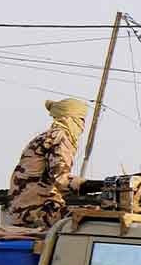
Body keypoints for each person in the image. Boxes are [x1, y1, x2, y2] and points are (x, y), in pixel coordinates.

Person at [5, 98, 89, 229]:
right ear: (69, 118)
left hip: (22, 209)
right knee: (93, 216)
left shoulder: (46, 136)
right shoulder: (60, 137)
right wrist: (97, 186)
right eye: (80, 120)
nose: (83, 127)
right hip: (38, 211)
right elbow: (61, 179)